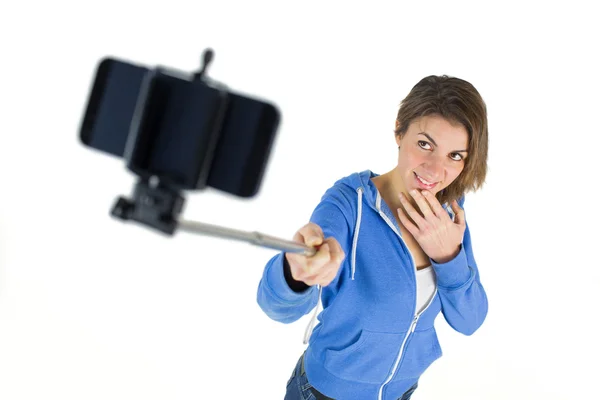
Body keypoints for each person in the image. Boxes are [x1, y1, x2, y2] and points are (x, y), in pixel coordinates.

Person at [256, 75, 489, 400]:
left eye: (455, 156)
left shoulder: (448, 212)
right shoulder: (348, 203)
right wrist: (296, 272)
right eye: (425, 144)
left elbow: (470, 320)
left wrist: (449, 256)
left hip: (400, 393)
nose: (436, 171)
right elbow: (277, 307)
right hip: (323, 394)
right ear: (399, 130)